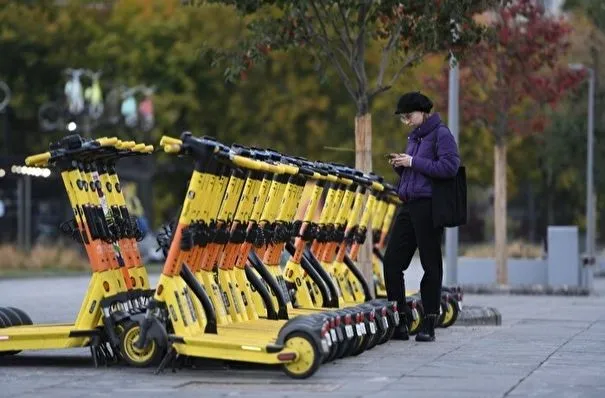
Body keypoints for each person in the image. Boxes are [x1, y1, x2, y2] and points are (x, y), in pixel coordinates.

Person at [384, 91, 460, 342]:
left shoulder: (441, 134)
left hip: (428, 206)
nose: (407, 121)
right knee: (392, 261)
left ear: (423, 112)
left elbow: (449, 167)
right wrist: (401, 165)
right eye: (403, 118)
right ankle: (401, 320)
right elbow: (416, 171)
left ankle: (429, 321)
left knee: (430, 263)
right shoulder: (414, 137)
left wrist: (413, 162)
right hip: (408, 204)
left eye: (409, 116)